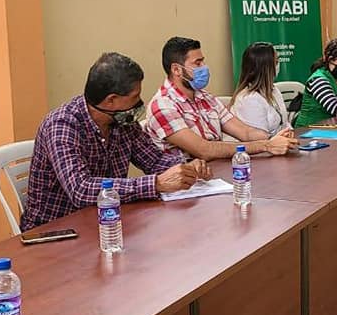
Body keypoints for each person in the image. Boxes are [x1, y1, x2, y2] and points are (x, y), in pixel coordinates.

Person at [22, 52, 211, 231]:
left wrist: (186, 167)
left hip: (107, 220)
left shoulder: (122, 121)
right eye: (135, 97)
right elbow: (80, 189)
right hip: (56, 231)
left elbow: (153, 160)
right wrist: (156, 184)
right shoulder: (62, 125)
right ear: (111, 100)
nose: (139, 102)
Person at [145, 36, 298, 161]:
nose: (204, 67)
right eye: (198, 63)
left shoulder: (206, 97)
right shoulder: (163, 106)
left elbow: (245, 132)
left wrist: (275, 138)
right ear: (176, 69)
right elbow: (204, 150)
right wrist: (266, 145)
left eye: (203, 61)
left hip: (218, 173)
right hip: (187, 182)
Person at [228, 42, 291, 136]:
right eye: (276, 62)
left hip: (281, 142)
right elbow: (259, 139)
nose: (278, 66)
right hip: (264, 144)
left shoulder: (274, 90)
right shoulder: (249, 99)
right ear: (265, 67)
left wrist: (290, 132)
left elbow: (285, 124)